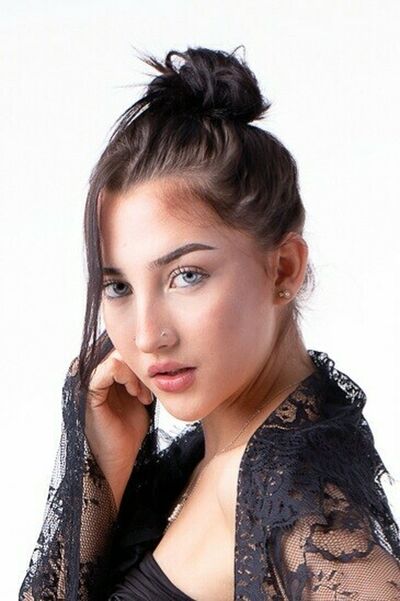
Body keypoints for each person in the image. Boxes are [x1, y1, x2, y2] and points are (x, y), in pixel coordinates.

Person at [19, 45, 400, 601]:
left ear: (283, 269)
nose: (147, 335)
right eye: (118, 286)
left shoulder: (286, 491)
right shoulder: (213, 452)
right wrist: (105, 468)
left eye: (186, 276)